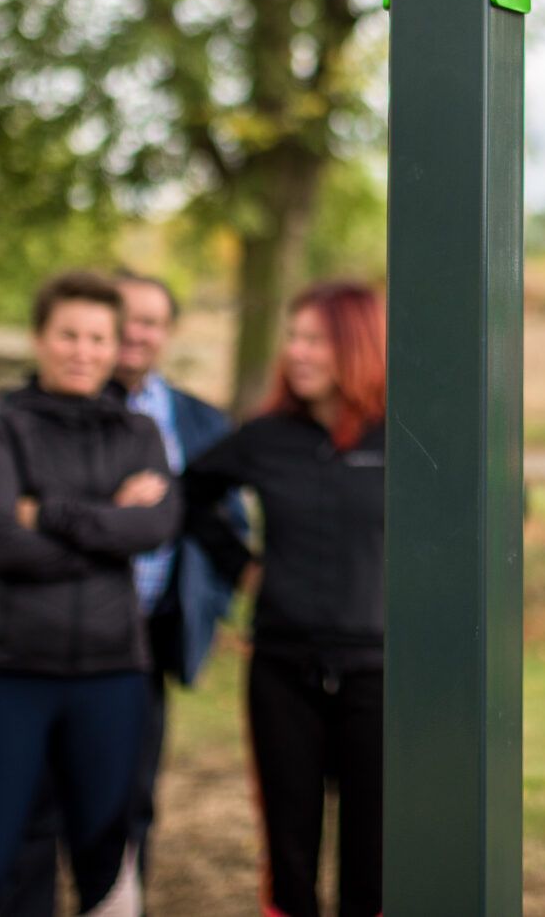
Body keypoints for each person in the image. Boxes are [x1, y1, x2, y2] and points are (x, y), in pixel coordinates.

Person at [0, 270, 179, 917]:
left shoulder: (139, 435)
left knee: (104, 852)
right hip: (7, 675)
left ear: (115, 345)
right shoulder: (1, 432)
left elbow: (153, 528)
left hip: (112, 677)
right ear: (39, 339)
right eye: (68, 334)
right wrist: (106, 524)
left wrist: (46, 514)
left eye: (98, 338)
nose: (83, 351)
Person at [0, 269, 245, 917]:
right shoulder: (35, 416)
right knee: (32, 804)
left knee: (126, 803)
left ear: (168, 334)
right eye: (126, 319)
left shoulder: (199, 423)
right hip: (41, 638)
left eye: (152, 323)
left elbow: (223, 532)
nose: (137, 334)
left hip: (143, 645)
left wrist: (201, 613)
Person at [182, 281, 388, 917]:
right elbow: (192, 493)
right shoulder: (267, 436)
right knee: (289, 848)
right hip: (282, 667)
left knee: (373, 850)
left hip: (379, 672)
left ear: (357, 346)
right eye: (293, 337)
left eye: (314, 339)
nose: (296, 352)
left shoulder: (403, 438)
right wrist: (242, 567)